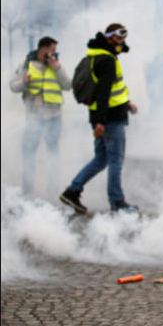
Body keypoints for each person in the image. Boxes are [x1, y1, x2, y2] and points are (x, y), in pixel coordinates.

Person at [59, 24, 139, 214]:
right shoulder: (107, 61)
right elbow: (103, 93)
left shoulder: (97, 54)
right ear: (109, 38)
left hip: (101, 115)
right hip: (110, 118)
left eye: (123, 39)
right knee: (115, 161)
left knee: (101, 159)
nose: (121, 43)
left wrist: (126, 102)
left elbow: (113, 89)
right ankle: (117, 202)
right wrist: (102, 123)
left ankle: (72, 191)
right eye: (118, 39)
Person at [9, 36, 72, 196]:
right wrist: (24, 82)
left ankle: (53, 188)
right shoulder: (27, 64)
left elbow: (67, 85)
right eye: (52, 50)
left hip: (54, 117)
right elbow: (13, 86)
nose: (54, 53)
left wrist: (57, 68)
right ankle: (27, 187)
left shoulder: (56, 66)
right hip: (34, 117)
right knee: (28, 152)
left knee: (53, 154)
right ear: (43, 49)